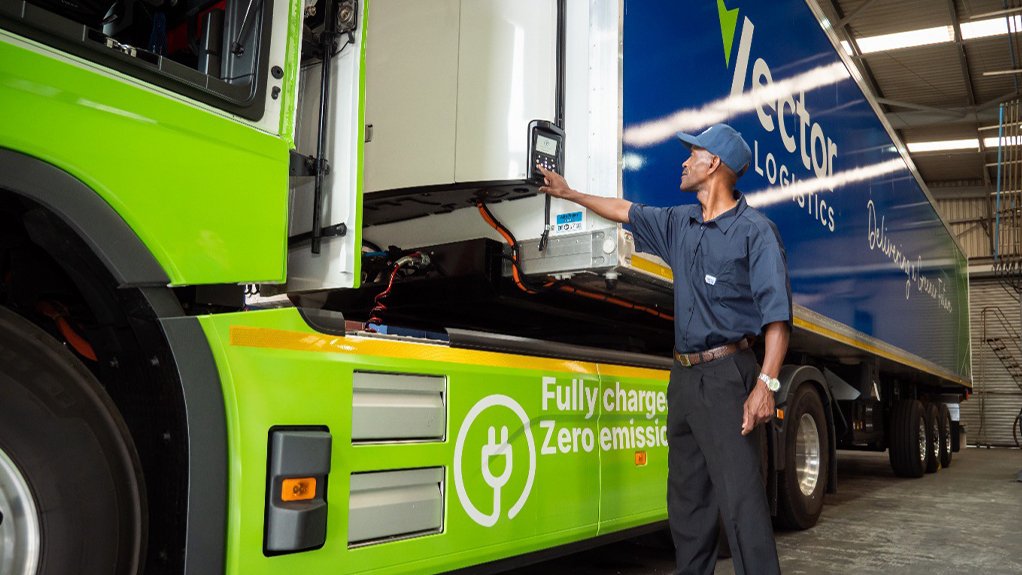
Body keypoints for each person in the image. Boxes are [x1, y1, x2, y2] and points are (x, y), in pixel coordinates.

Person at [537, 123, 791, 575]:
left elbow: (777, 318)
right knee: (687, 503)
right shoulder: (680, 223)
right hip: (686, 379)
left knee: (741, 503)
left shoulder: (756, 232)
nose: (684, 161)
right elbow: (623, 210)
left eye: (692, 154)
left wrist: (765, 386)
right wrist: (570, 193)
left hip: (729, 375)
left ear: (713, 164)